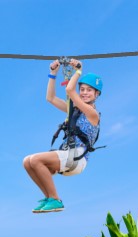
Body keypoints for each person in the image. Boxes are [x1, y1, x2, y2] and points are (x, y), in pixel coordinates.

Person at [23, 58, 102, 213]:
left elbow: (70, 91)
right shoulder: (75, 111)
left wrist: (78, 71)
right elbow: (50, 98)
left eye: (89, 90)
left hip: (77, 158)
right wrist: (53, 74)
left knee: (36, 160)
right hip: (68, 154)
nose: (84, 93)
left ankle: (56, 199)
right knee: (27, 162)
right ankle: (49, 197)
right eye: (83, 89)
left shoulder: (93, 114)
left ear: (96, 94)